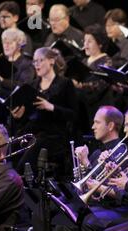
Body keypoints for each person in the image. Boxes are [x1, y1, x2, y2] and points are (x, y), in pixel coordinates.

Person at [31, 106, 128, 231]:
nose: (92, 127)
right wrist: (83, 166)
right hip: (92, 206)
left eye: (97, 122)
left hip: (110, 208)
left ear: (110, 126)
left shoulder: (120, 151)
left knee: (70, 219)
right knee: (42, 213)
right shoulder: (96, 151)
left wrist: (87, 164)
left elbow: (109, 188)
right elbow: (84, 186)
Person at [10, 47, 78, 180]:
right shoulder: (33, 85)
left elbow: (74, 114)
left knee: (26, 159)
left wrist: (51, 107)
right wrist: (19, 116)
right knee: (11, 147)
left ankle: (18, 183)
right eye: (35, 62)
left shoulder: (65, 83)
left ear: (51, 61)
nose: (37, 65)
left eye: (41, 60)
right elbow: (28, 115)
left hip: (54, 134)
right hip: (33, 131)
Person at [73, 24, 113, 132]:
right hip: (83, 105)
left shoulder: (106, 61)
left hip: (99, 104)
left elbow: (101, 84)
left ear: (99, 43)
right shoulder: (84, 61)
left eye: (89, 41)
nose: (85, 45)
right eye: (84, 41)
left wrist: (81, 85)